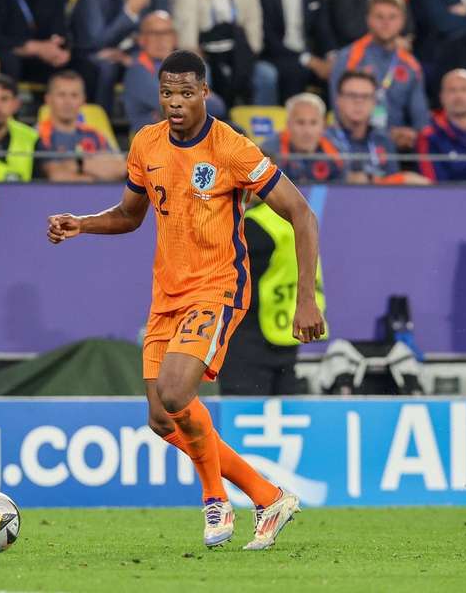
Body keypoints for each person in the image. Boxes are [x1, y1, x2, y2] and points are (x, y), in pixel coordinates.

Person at [47, 50, 325, 550]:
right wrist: (82, 224)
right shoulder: (145, 144)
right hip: (166, 294)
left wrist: (307, 300)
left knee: (176, 393)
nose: (175, 103)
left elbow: (302, 214)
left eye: (185, 93)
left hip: (218, 287)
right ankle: (267, 495)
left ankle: (215, 498)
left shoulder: (232, 149)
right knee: (160, 417)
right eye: (167, 93)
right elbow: (131, 215)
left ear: (204, 94)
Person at [220, 198, 326, 396]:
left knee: (245, 418)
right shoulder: (296, 220)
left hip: (249, 340)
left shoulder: (252, 227)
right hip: (285, 336)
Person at [329, 0, 430, 151]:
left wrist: (413, 134)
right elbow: (339, 111)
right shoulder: (348, 58)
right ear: (368, 19)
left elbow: (421, 117)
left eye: (392, 17)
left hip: (399, 146)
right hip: (355, 144)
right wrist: (384, 135)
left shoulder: (411, 65)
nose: (386, 23)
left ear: (402, 21)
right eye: (379, 17)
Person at [123, 11, 225, 135]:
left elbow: (218, 106)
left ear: (174, 38)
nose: (160, 40)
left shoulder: (185, 67)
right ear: (141, 39)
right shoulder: (137, 71)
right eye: (153, 33)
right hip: (154, 142)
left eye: (166, 33)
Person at [69, 0, 169, 112]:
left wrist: (131, 54)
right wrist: (130, 13)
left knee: (150, 61)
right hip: (92, 56)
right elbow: (94, 43)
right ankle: (103, 121)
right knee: (107, 66)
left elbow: (163, 28)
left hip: (134, 53)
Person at [174, 0, 278, 105]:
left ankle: (259, 119)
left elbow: (254, 34)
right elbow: (187, 41)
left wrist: (244, 60)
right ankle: (204, 120)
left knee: (266, 74)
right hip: (205, 57)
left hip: (240, 56)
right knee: (201, 74)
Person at [327, 70, 430, 184]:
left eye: (365, 96)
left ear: (374, 102)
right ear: (338, 100)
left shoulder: (383, 140)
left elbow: (392, 188)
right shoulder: (326, 139)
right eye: (352, 95)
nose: (358, 101)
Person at [0, 0, 87, 90]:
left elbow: (60, 31)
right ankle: (8, 114)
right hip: (6, 54)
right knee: (9, 63)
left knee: (83, 66)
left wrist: (63, 49)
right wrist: (32, 47)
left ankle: (67, 115)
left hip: (42, 58)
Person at [36, 70, 125, 182]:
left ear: (83, 100)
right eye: (61, 95)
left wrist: (79, 164)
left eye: (74, 95)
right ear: (48, 99)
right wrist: (95, 171)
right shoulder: (39, 134)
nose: (68, 102)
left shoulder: (95, 135)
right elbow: (57, 177)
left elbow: (121, 169)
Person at [258, 0, 337, 104]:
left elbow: (323, 29)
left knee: (337, 70)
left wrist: (331, 57)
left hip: (309, 54)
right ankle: (292, 118)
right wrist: (309, 60)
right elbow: (269, 39)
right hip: (275, 55)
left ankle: (330, 118)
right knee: (295, 72)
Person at [261, 93, 345, 183]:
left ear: (323, 125)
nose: (307, 131)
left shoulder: (337, 150)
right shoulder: (269, 150)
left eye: (313, 123)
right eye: (300, 122)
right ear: (288, 124)